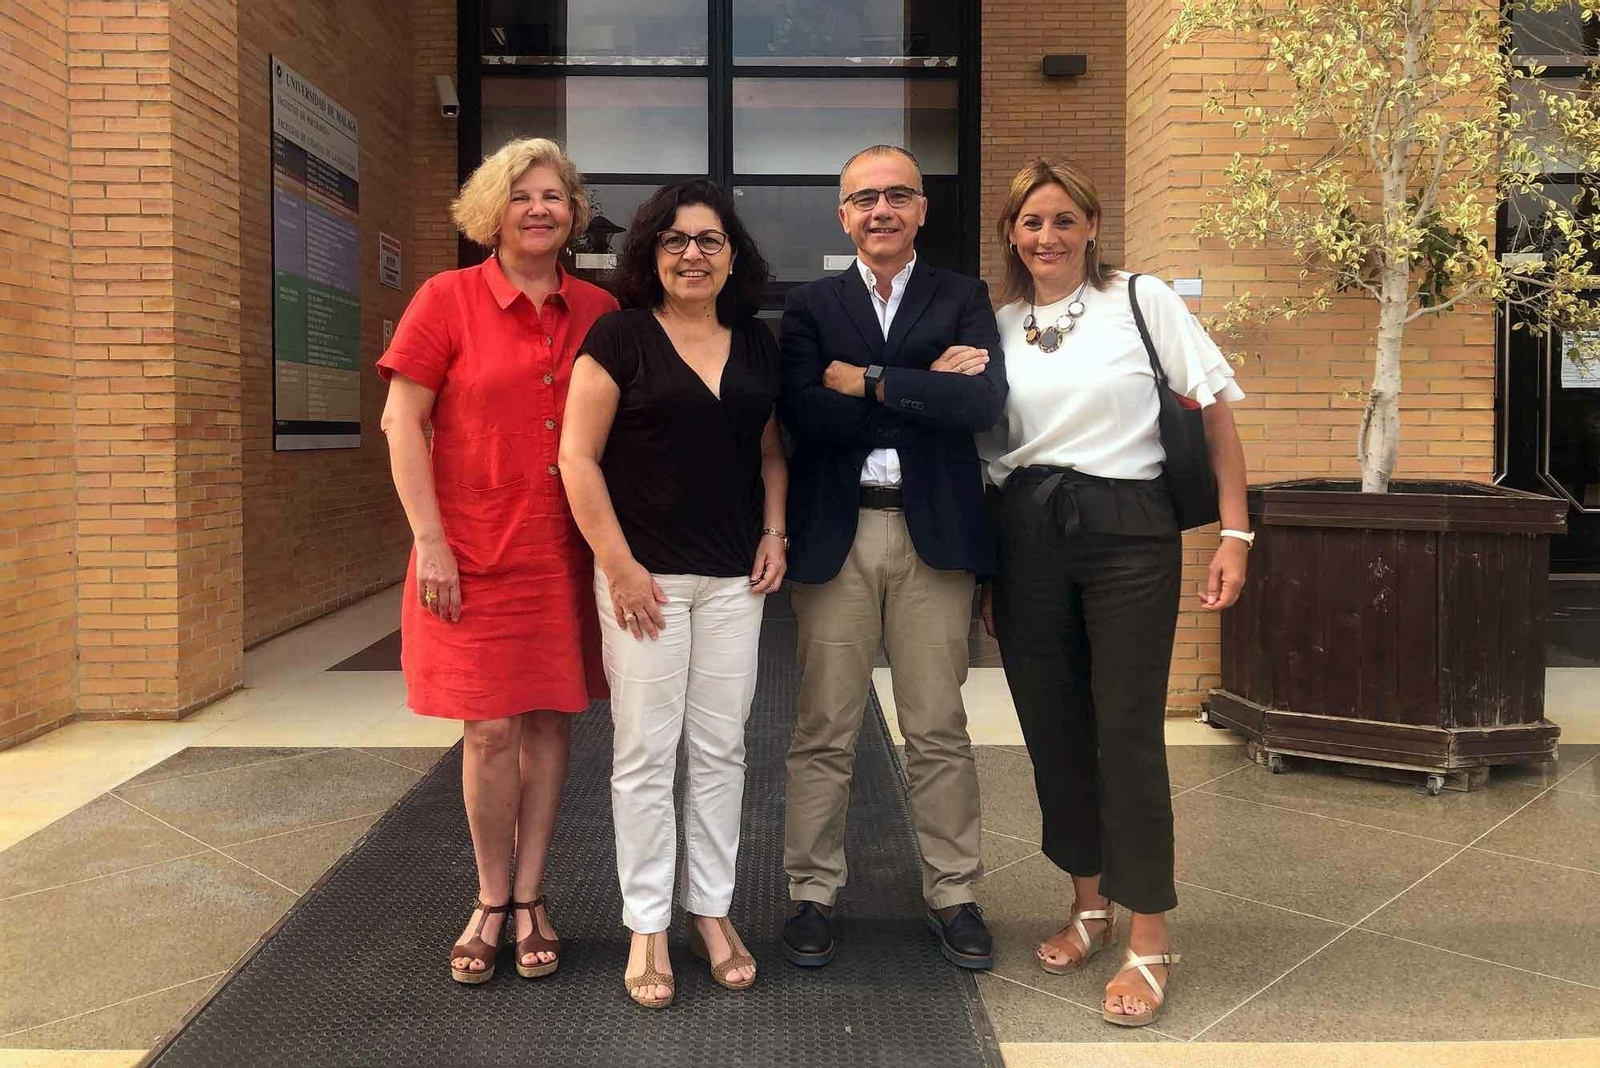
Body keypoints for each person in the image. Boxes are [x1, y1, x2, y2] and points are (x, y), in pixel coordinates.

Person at [978, 157, 1250, 1027]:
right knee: (1053, 729)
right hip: (1027, 536)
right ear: (1011, 236)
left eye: (1063, 220)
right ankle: (1088, 904)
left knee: (1127, 732)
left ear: (1092, 225)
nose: (1047, 236)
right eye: (1030, 223)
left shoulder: (1143, 299)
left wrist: (1235, 535)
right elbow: (985, 452)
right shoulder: (999, 324)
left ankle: (1151, 933)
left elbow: (1214, 414)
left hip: (1128, 531)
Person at [377, 138, 618, 985]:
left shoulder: (598, 309)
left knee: (552, 721)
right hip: (470, 550)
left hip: (562, 551)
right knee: (488, 730)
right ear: (492, 210)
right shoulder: (445, 299)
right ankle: (489, 897)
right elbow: (401, 423)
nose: (541, 209)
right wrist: (429, 539)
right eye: (523, 196)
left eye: (555, 196)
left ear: (573, 212)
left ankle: (532, 895)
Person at [777, 144, 1006, 972]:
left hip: (933, 538)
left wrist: (868, 380)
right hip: (837, 537)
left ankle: (955, 893)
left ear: (921, 208)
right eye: (864, 198)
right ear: (843, 215)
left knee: (937, 727)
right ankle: (811, 892)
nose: (881, 209)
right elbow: (804, 416)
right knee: (822, 728)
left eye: (897, 195)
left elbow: (980, 402)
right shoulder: (809, 305)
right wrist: (921, 387)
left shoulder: (963, 295)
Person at [560, 179, 786, 1010]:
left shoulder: (757, 345)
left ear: (733, 256)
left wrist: (775, 530)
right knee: (646, 753)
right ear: (651, 254)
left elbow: (769, 451)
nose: (693, 254)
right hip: (644, 577)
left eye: (710, 240)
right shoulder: (618, 337)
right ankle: (648, 922)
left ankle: (712, 911)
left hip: (733, 580)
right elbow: (576, 459)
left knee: (722, 750)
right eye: (676, 241)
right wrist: (617, 566)